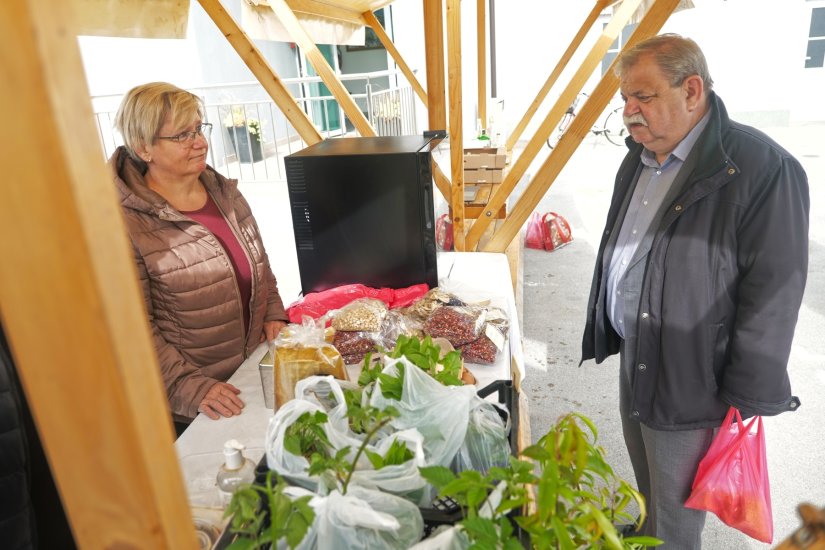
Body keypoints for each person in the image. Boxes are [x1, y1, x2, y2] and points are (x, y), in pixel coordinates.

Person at [581, 34, 809, 548]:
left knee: (678, 514)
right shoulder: (640, 154)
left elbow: (775, 291)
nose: (627, 111)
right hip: (636, 354)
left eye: (642, 97)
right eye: (624, 98)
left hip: (692, 373)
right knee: (650, 489)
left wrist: (746, 392)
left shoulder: (764, 169)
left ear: (691, 89)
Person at [111, 82, 288, 434]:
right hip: (193, 407)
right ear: (143, 147)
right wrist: (190, 388)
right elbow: (134, 329)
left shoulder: (224, 193)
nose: (200, 141)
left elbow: (260, 265)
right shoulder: (122, 223)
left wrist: (273, 313)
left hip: (250, 377)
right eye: (181, 135)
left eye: (198, 128)